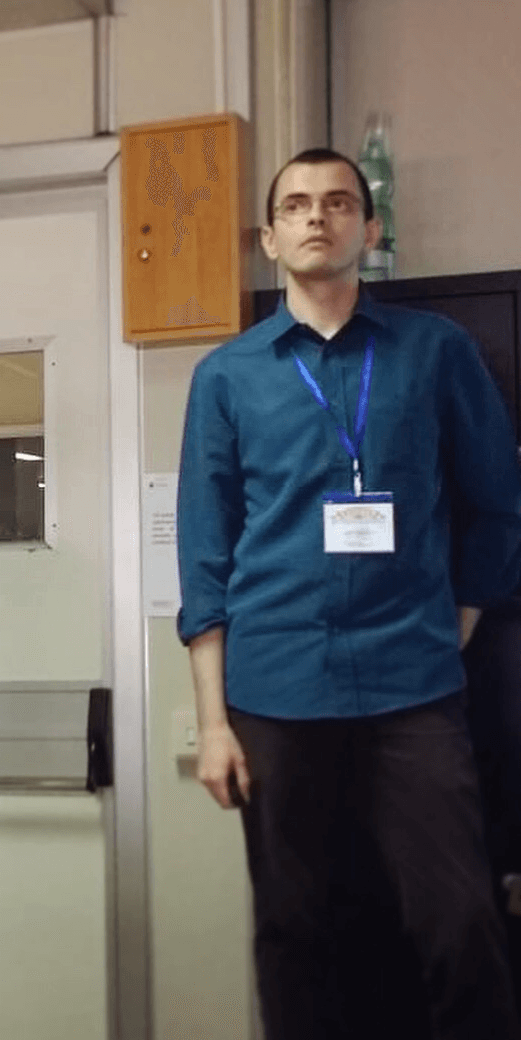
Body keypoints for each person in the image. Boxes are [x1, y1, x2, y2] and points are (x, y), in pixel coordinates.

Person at [177, 147, 521, 1039]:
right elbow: (206, 554)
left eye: (337, 202)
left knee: (461, 922)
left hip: (416, 687)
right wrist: (213, 724)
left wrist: (454, 624)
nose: (316, 217)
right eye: (295, 205)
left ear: (369, 229)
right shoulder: (227, 376)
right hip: (276, 691)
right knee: (296, 933)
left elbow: (497, 506)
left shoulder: (436, 351)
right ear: (269, 238)